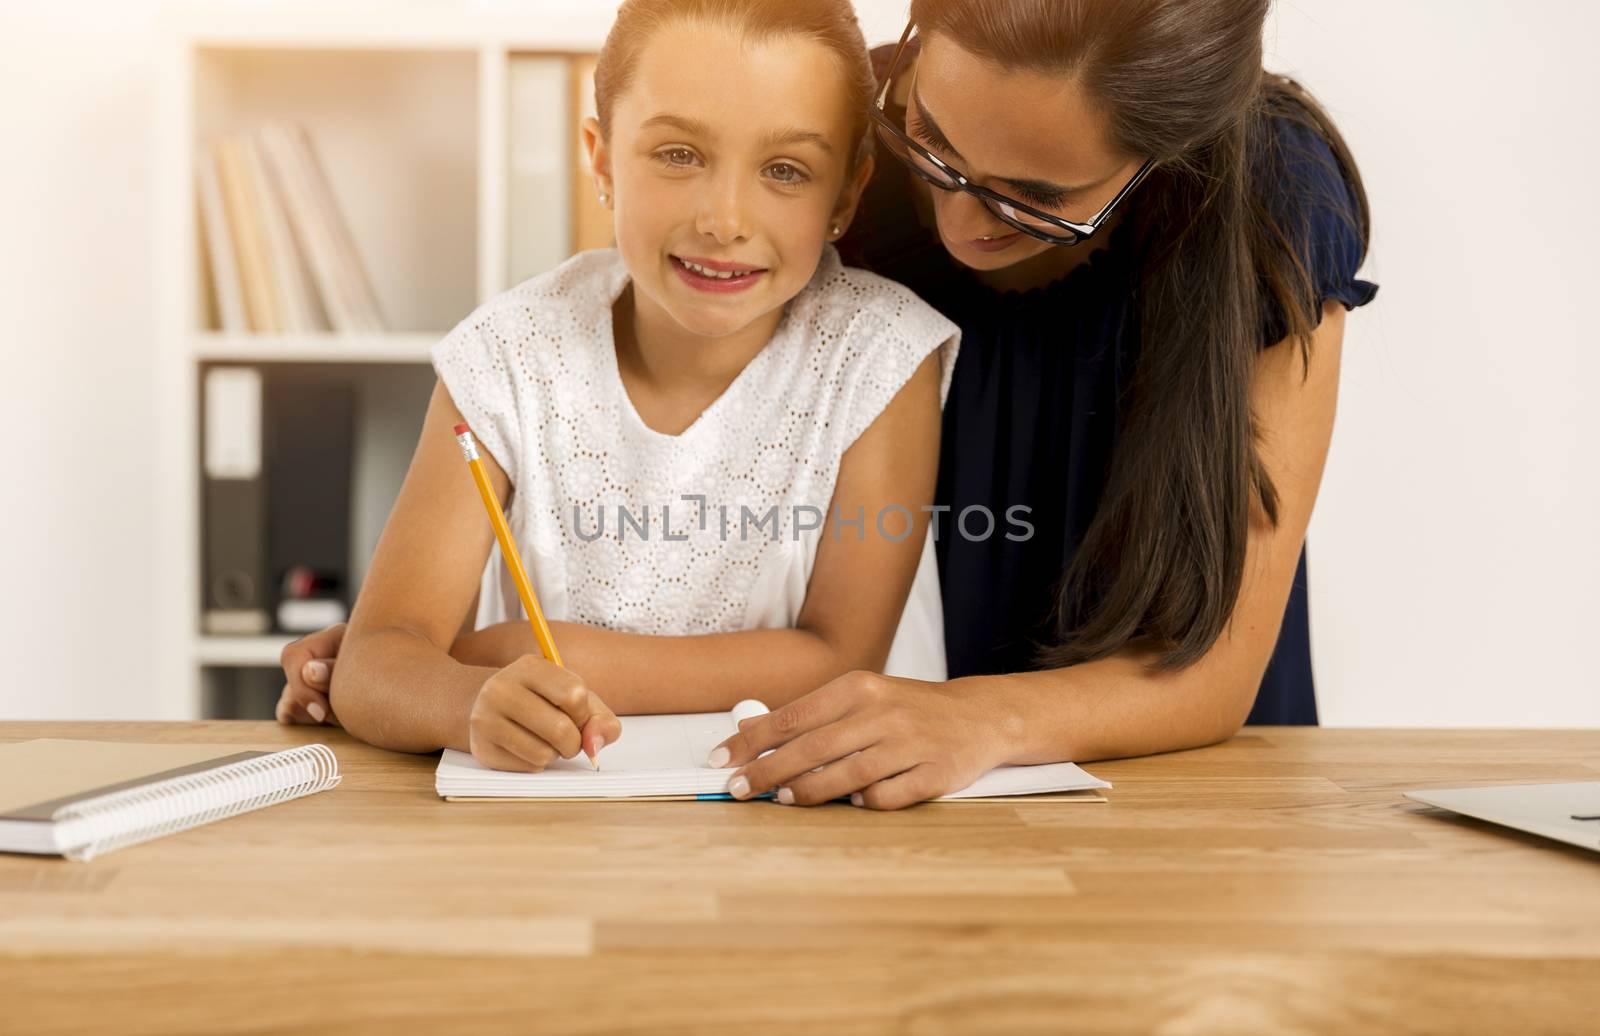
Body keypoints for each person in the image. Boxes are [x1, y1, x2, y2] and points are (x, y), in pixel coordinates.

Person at [283, 0, 1378, 810]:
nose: (956, 215)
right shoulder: (836, 124)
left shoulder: (1266, 199)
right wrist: (415, 657)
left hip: (1150, 767)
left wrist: (978, 717)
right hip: (874, 763)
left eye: (1034, 199)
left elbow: (1218, 668)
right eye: (934, 149)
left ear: (1159, 162)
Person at [274, 0, 960, 774]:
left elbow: (839, 659)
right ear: (601, 159)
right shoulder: (509, 354)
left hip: (820, 827)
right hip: (565, 838)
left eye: (784, 171)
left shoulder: (882, 354)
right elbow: (375, 663)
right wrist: (467, 700)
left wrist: (530, 653)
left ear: (844, 195)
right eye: (678, 155)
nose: (724, 219)